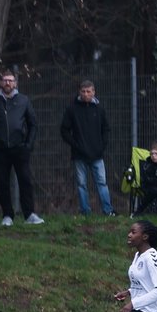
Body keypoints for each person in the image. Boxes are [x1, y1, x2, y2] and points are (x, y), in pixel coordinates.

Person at [0, 70, 44, 226]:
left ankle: (29, 214)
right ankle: (7, 215)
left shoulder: (23, 100)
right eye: (5, 80)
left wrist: (28, 145)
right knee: (2, 182)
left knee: (25, 180)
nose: (8, 83)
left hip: (20, 148)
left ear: (15, 83)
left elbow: (33, 124)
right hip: (0, 149)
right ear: (0, 83)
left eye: (10, 80)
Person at [60, 80, 114, 216]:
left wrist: (102, 146)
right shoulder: (72, 109)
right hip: (79, 155)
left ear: (94, 92)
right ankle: (85, 212)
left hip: (97, 154)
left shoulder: (99, 109)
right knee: (82, 185)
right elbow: (64, 130)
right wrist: (75, 145)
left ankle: (108, 211)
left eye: (88, 91)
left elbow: (106, 129)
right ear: (79, 92)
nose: (86, 94)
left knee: (102, 183)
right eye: (83, 91)